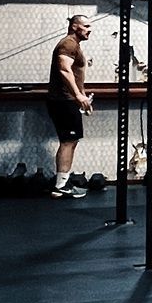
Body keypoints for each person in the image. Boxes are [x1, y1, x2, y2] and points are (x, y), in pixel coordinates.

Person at [47, 13, 93, 198]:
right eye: (86, 26)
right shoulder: (68, 44)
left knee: (71, 141)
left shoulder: (73, 45)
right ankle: (60, 186)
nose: (90, 30)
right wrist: (78, 96)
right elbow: (64, 70)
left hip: (67, 100)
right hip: (63, 101)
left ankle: (63, 183)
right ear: (75, 26)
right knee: (68, 141)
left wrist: (81, 97)